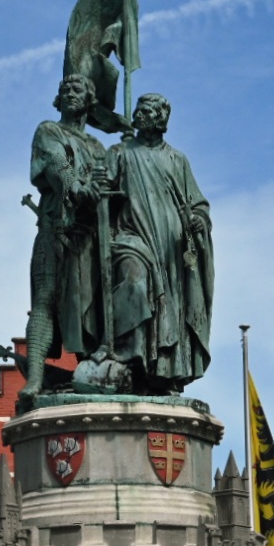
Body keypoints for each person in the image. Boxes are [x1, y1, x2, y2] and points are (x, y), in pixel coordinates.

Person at [103, 93, 214, 394]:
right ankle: (130, 359)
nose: (141, 114)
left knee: (172, 309)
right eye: (138, 109)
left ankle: (164, 373)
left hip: (172, 249)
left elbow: (199, 204)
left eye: (149, 110)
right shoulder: (120, 153)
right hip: (132, 237)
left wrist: (198, 221)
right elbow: (102, 192)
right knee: (134, 281)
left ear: (162, 120)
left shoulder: (177, 160)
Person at [24, 74, 109, 396]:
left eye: (78, 89)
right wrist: (78, 186)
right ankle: (33, 379)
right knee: (46, 300)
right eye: (65, 89)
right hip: (56, 226)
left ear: (89, 101)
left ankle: (90, 373)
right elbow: (57, 166)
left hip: (90, 234)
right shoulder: (49, 130)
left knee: (91, 304)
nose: (70, 93)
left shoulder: (98, 146)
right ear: (58, 100)